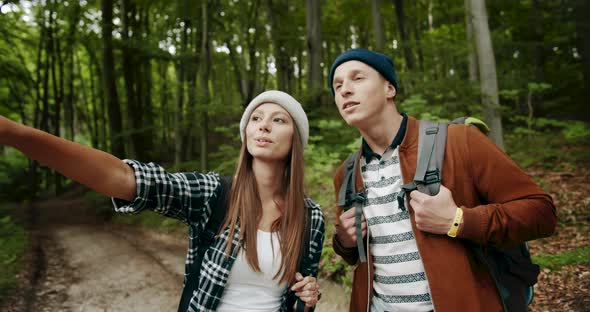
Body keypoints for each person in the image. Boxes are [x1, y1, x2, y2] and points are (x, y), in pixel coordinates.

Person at [0, 90, 325, 312]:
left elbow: (297, 299)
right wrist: (14, 134)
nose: (264, 124)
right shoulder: (214, 195)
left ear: (295, 139)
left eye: (278, 120)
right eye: (256, 118)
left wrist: (307, 297)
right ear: (246, 134)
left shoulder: (311, 217)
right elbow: (128, 180)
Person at [327, 48, 556, 311]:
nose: (344, 90)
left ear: (389, 88)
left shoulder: (460, 142)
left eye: (357, 78)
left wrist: (458, 220)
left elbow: (541, 212)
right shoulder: (346, 173)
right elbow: (357, 255)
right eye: (337, 85)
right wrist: (344, 242)